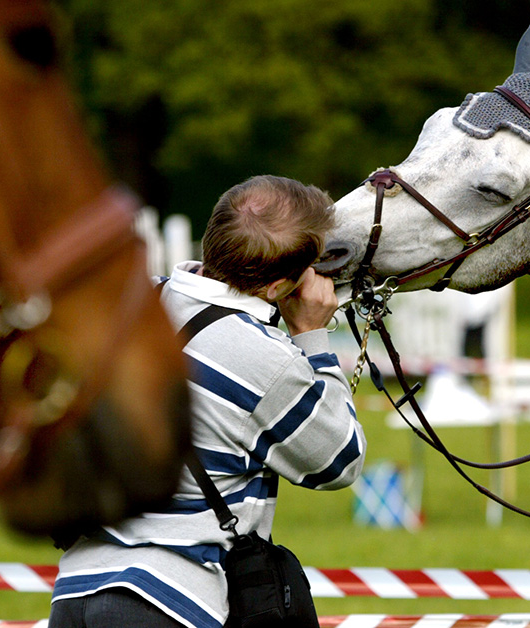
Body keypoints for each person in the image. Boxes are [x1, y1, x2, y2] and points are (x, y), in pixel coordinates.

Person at [49, 175, 366, 628]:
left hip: (76, 592)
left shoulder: (133, 304)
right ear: (278, 286)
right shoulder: (263, 360)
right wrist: (312, 334)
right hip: (170, 602)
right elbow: (338, 461)